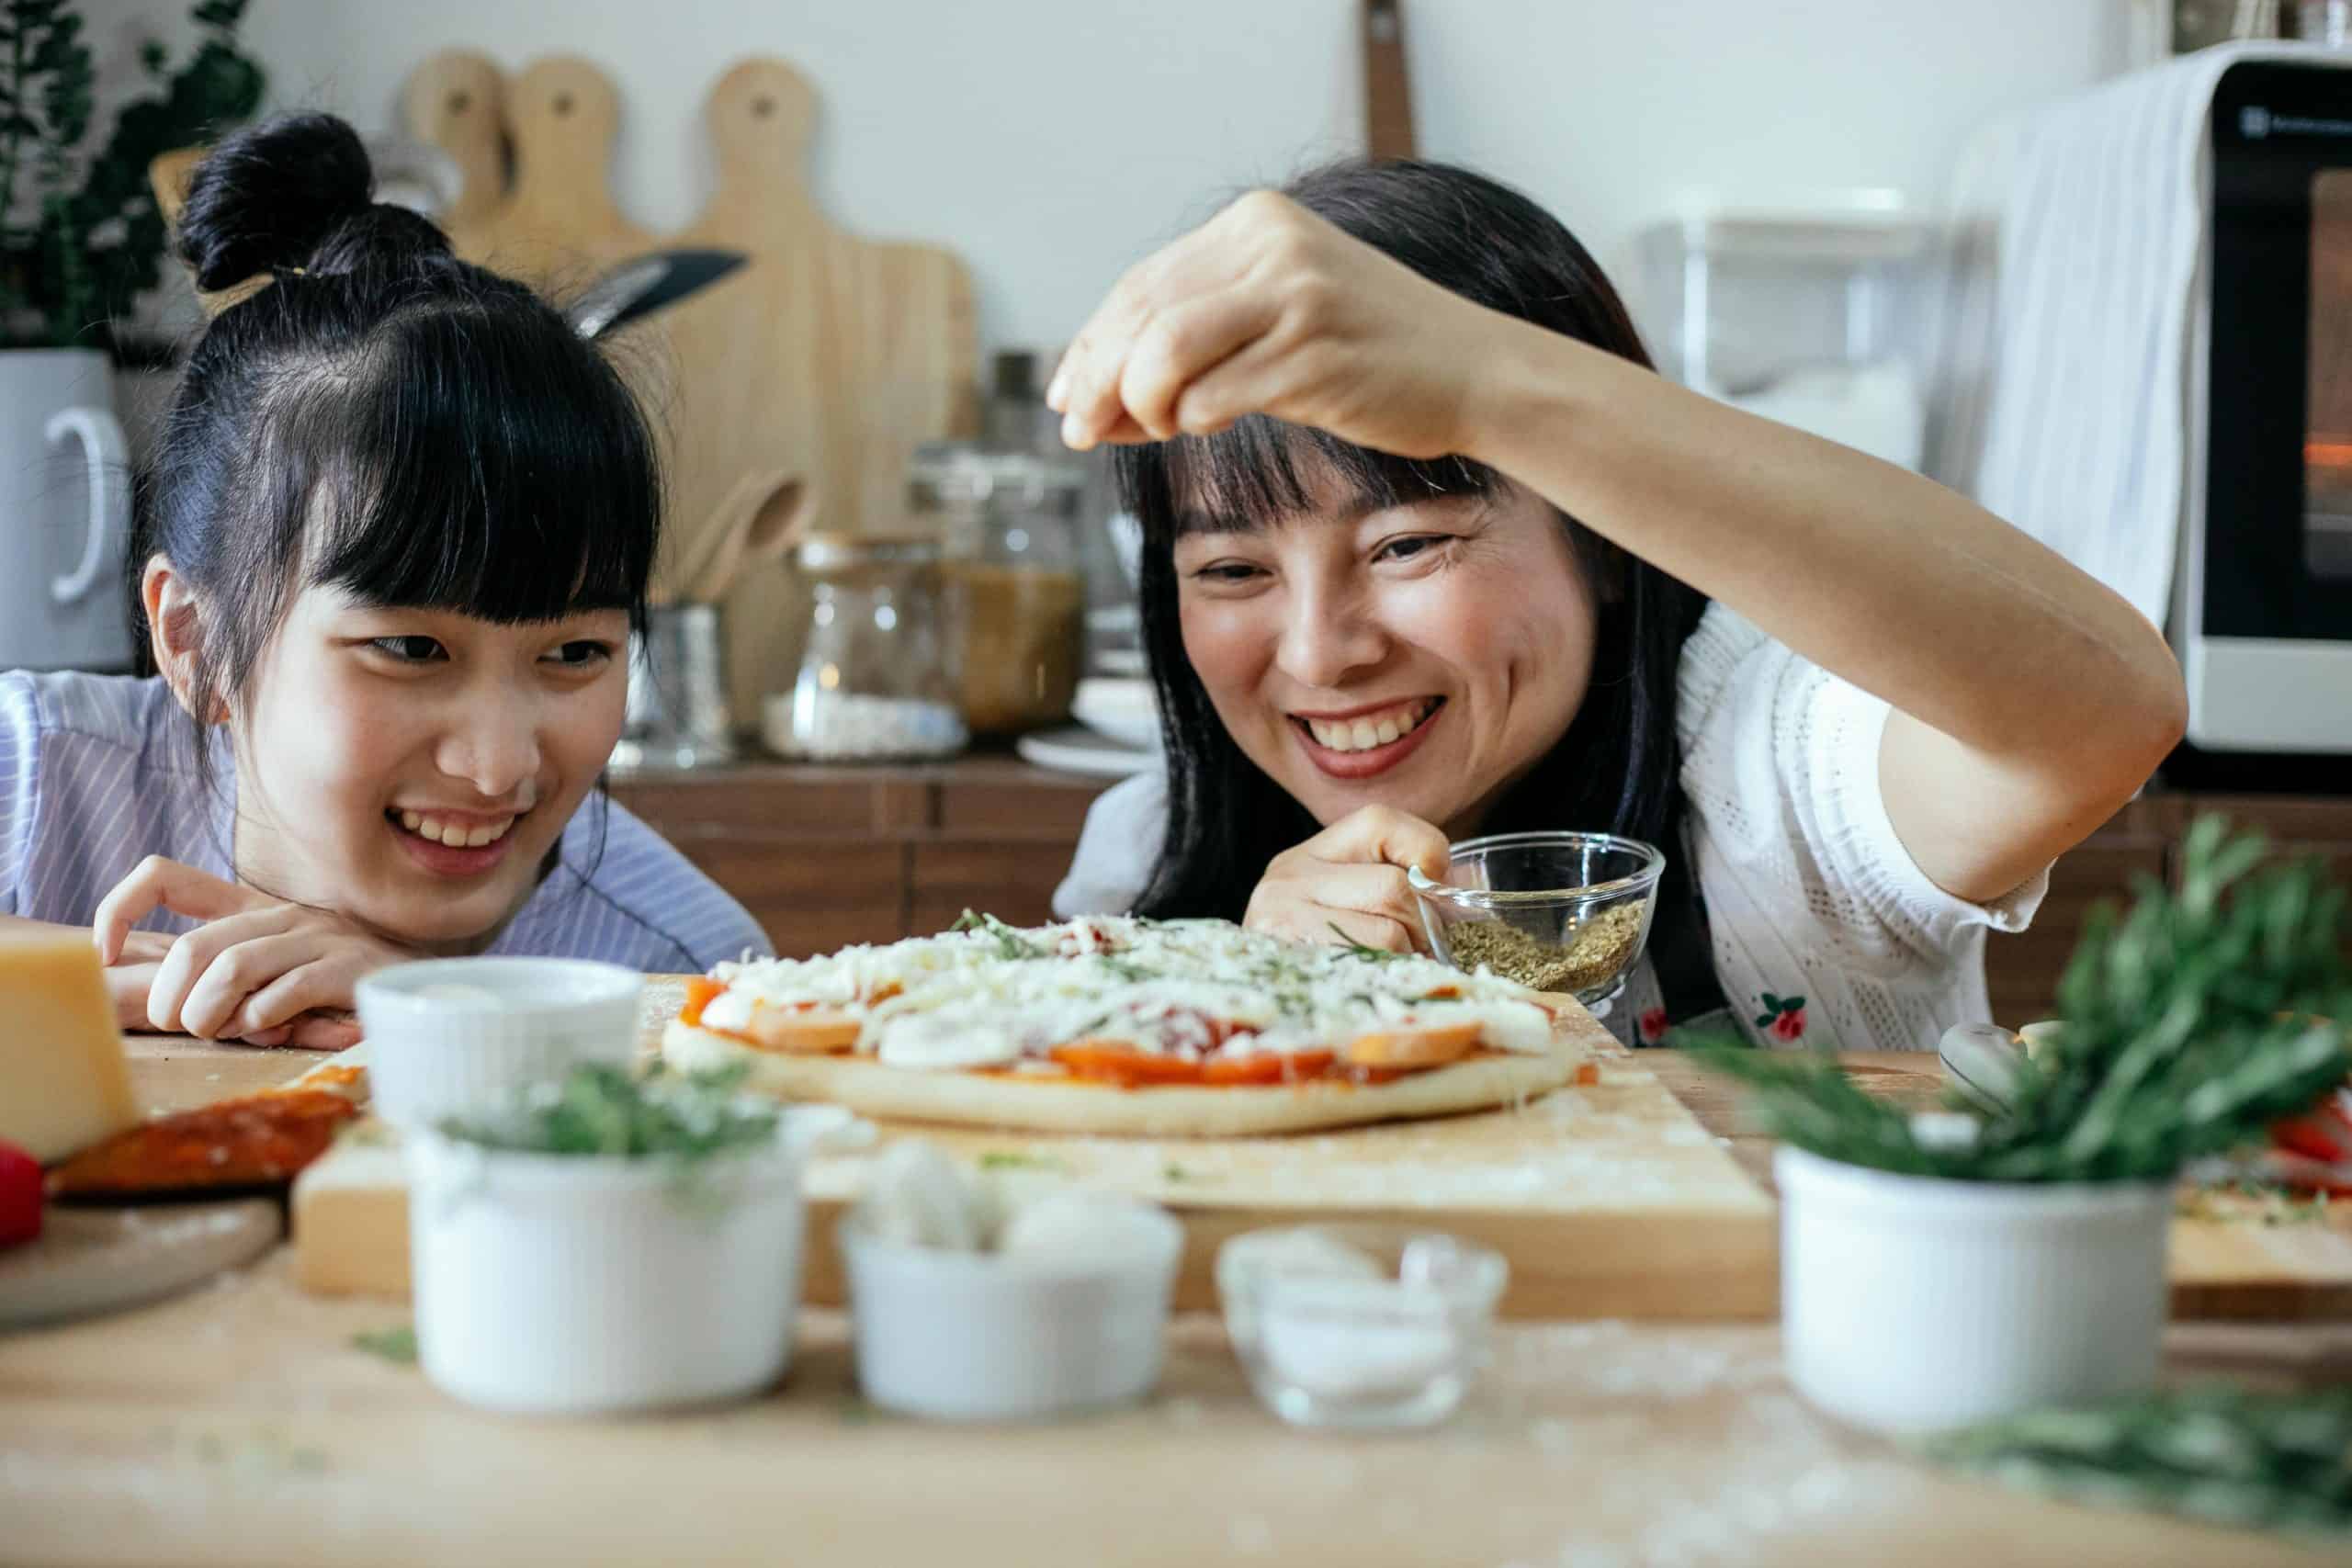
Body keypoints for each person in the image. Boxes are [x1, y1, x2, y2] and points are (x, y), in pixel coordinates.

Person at [1047, 161, 2187, 1050]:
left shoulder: (1765, 784)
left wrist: (1485, 380)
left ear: (1601, 541)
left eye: (1406, 544)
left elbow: (2103, 708)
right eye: (1233, 570)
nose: (1320, 653)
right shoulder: (1151, 855)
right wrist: (1238, 999)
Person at [0, 113, 768, 1050]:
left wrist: (443, 1025)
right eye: (410, 648)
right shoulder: (34, 778)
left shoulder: (684, 971)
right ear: (196, 643)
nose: (498, 769)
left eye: (576, 652)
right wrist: (89, 979)